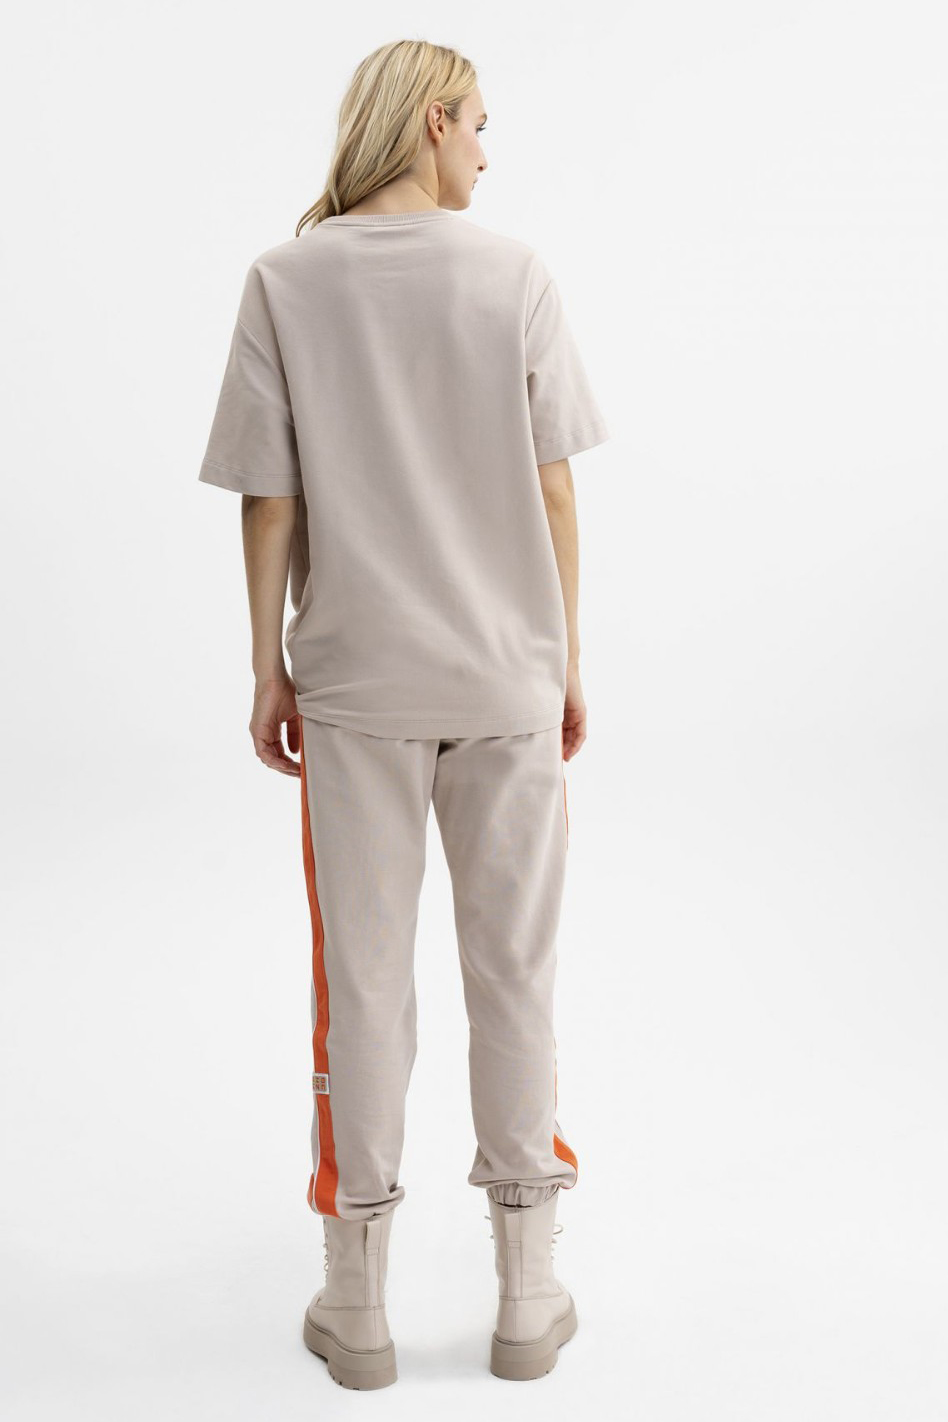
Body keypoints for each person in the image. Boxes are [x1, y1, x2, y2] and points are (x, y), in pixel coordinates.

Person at [197, 38, 609, 1389]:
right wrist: (563, 659)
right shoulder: (514, 276)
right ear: (432, 121)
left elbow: (269, 500)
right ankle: (527, 1295)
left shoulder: (284, 278)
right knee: (514, 975)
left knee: (362, 985)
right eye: (480, 125)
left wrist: (267, 666)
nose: (487, 151)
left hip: (356, 690)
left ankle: (355, 1301)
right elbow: (554, 488)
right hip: (502, 680)